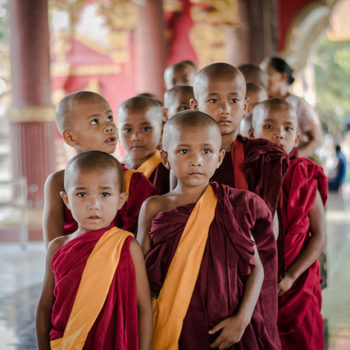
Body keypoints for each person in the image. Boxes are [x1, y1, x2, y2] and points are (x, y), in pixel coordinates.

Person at [138, 110, 281, 349]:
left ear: (219, 157)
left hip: (228, 324)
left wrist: (241, 320)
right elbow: (139, 270)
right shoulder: (155, 206)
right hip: (172, 321)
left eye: (206, 151)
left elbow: (256, 270)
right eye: (184, 151)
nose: (197, 160)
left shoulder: (233, 205)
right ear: (165, 158)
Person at [190, 63, 288, 348]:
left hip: (253, 280)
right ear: (195, 104)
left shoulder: (262, 158)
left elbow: (270, 229)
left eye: (233, 100)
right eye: (213, 100)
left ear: (245, 105)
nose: (224, 109)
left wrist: (244, 314)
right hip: (198, 282)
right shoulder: (182, 161)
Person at [36, 151, 153, 350]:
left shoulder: (127, 246)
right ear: (66, 200)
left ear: (120, 200)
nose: (93, 205)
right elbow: (45, 308)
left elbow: (143, 307)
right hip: (66, 343)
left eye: (105, 194)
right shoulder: (57, 248)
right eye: (81, 194)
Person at [251, 98, 327, 350]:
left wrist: (292, 276)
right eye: (269, 127)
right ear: (252, 133)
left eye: (287, 128)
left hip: (299, 282)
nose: (278, 135)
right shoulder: (246, 174)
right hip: (257, 284)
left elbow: (319, 236)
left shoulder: (305, 174)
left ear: (296, 138)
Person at [43, 91, 157, 247]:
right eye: (95, 121)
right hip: (71, 264)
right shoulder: (57, 182)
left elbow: (144, 240)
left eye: (109, 118)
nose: (109, 126)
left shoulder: (133, 181)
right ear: (70, 138)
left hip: (119, 265)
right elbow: (52, 242)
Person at [264, 57, 323, 158]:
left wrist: (292, 158)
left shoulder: (299, 104)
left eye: (268, 74)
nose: (263, 79)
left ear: (283, 77)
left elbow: (317, 140)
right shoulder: (263, 103)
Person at [118, 95, 170, 194]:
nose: (136, 137)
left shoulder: (167, 170)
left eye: (145, 129)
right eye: (127, 130)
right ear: (118, 134)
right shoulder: (115, 170)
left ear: (162, 131)